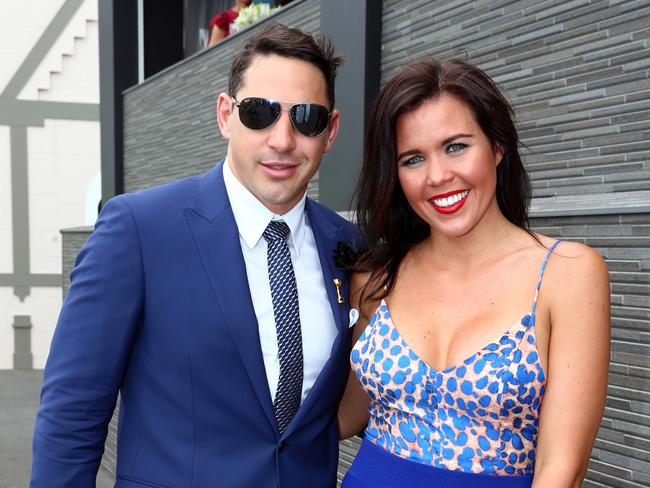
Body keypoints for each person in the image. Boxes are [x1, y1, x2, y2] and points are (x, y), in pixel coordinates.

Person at [31, 24, 358, 488]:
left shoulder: (348, 247)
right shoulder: (137, 230)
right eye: (260, 112)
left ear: (330, 131)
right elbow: (72, 412)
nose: (283, 139)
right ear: (225, 115)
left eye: (306, 117)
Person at [337, 58, 610, 487]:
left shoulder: (567, 274)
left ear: (497, 147)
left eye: (456, 146)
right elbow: (346, 413)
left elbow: (563, 468)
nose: (438, 176)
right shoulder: (375, 277)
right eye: (412, 159)